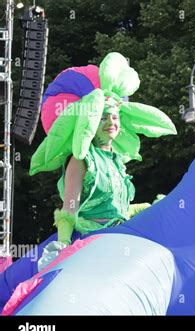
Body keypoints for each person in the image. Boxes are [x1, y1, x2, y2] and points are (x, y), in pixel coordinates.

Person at [0, 52, 177, 311]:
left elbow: (117, 211)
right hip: (84, 242)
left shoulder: (117, 162)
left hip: (114, 239)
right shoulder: (81, 159)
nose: (111, 123)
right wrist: (61, 245)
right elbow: (70, 209)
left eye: (114, 117)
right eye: (103, 117)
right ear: (90, 121)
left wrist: (152, 208)